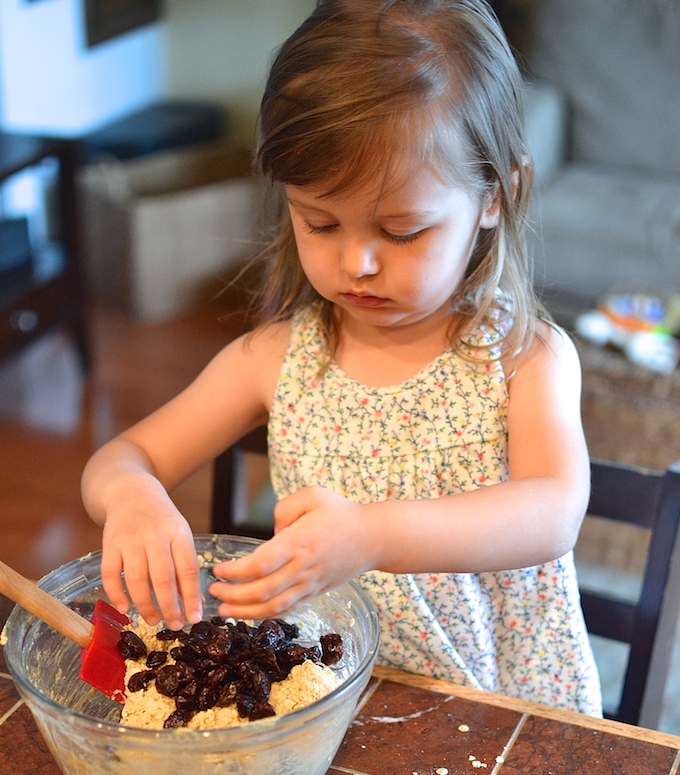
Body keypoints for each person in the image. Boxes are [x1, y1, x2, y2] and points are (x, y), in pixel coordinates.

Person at [81, 0, 602, 715]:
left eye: (402, 230)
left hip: (499, 708)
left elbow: (553, 513)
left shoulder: (524, 358)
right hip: (334, 701)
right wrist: (132, 497)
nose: (357, 261)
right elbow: (122, 457)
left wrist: (371, 535)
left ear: (497, 194)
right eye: (319, 221)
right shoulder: (273, 358)